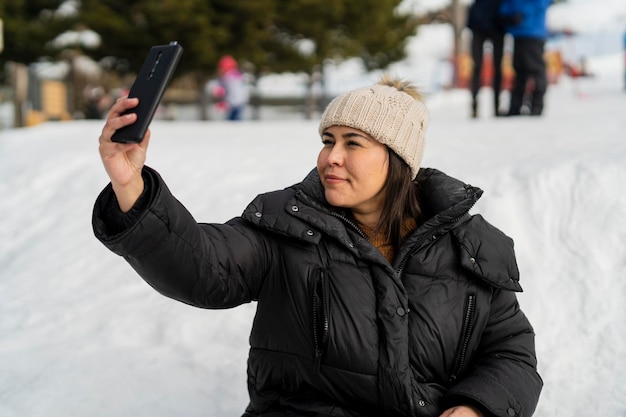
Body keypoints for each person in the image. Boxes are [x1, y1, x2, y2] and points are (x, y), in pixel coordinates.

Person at [93, 75, 542, 417]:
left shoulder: (469, 246)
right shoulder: (286, 227)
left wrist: (476, 407)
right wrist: (130, 185)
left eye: (353, 143)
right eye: (328, 141)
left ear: (398, 159)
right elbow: (203, 267)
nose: (332, 157)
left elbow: (510, 351)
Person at [499, 0, 552, 116]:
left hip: (533, 31)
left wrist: (522, 14)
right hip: (518, 32)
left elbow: (541, 3)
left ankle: (537, 106)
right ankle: (516, 107)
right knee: (519, 70)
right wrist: (507, 15)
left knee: (535, 69)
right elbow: (507, 5)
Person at [466, 0, 506, 118]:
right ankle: (474, 104)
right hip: (479, 21)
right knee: (477, 66)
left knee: (498, 67)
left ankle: (497, 105)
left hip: (498, 22)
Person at [212, 55, 249, 121]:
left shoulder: (232, 78)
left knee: (235, 121)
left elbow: (234, 93)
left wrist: (227, 102)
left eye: (221, 67)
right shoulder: (224, 77)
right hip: (234, 102)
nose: (219, 69)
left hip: (236, 103)